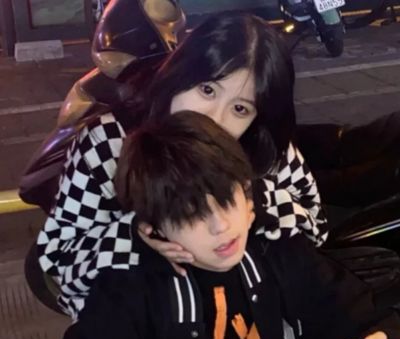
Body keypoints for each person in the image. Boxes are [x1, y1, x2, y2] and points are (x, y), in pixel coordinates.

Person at [37, 111, 400, 339]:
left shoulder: (283, 253)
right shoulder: (122, 291)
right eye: (191, 213)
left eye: (227, 200)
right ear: (153, 229)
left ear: (249, 198)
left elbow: (363, 314)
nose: (220, 226)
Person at [37, 12, 328, 319]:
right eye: (207, 90)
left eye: (240, 109)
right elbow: (60, 264)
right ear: (179, 74)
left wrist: (256, 200)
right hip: (146, 327)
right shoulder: (108, 143)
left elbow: (316, 229)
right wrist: (135, 237)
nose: (213, 118)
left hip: (250, 318)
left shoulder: (262, 147)